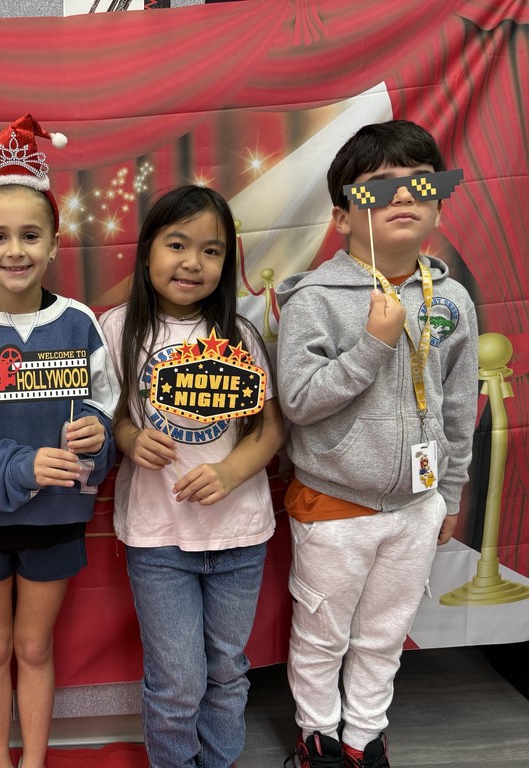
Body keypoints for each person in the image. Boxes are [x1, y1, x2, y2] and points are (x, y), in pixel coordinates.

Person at [276, 120, 478, 768]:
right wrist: (372, 345)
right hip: (334, 505)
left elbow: (457, 405)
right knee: (322, 634)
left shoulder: (452, 300)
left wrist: (448, 494)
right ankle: (318, 737)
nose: (404, 196)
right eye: (381, 187)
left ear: (438, 203)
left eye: (420, 183)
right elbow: (298, 401)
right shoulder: (314, 299)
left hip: (417, 506)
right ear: (343, 216)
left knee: (385, 634)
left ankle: (364, 738)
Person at [0, 114, 119, 768]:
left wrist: (96, 436)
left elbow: (104, 412)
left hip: (56, 516)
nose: (16, 250)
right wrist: (23, 465)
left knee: (34, 648)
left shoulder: (80, 323)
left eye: (30, 235)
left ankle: (33, 762)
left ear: (54, 244)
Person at [99, 185, 285, 768]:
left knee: (227, 670)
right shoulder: (116, 329)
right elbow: (105, 417)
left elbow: (271, 430)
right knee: (177, 681)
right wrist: (130, 438)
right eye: (176, 245)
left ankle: (220, 761)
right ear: (146, 252)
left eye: (211, 250)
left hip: (240, 535)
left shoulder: (240, 335)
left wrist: (229, 471)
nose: (193, 263)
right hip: (158, 538)